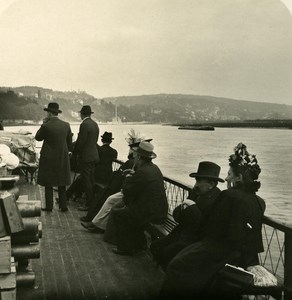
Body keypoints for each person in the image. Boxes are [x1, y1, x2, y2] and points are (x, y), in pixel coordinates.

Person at [159, 143, 265, 299]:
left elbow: (210, 229)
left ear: (238, 178)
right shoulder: (258, 201)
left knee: (177, 266)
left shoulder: (229, 196)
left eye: (229, 174)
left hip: (222, 251)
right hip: (247, 255)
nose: (227, 178)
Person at [150, 161, 223, 270]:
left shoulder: (217, 200)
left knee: (166, 253)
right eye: (196, 181)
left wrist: (192, 207)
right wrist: (188, 201)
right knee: (155, 246)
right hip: (182, 235)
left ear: (211, 184)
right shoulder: (196, 193)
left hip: (195, 242)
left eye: (198, 181)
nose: (195, 185)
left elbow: (204, 227)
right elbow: (177, 215)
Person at [110, 141, 168, 256]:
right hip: (160, 210)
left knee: (118, 213)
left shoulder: (142, 172)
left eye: (136, 154)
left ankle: (125, 247)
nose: (135, 156)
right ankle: (139, 244)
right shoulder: (154, 168)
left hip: (151, 213)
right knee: (132, 212)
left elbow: (128, 190)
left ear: (139, 156)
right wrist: (134, 175)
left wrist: (127, 177)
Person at [35, 102, 72, 212]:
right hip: (62, 156)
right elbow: (69, 143)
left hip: (48, 157)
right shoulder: (66, 125)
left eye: (47, 112)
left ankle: (49, 206)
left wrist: (43, 124)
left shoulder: (46, 125)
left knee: (48, 182)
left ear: (49, 113)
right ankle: (63, 205)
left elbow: (38, 138)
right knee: (62, 182)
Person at [72, 105, 99, 211]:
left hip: (86, 157)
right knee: (91, 180)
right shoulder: (95, 124)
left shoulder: (84, 124)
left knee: (86, 180)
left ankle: (89, 204)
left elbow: (81, 142)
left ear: (82, 114)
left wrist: (74, 152)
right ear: (90, 114)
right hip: (94, 156)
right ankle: (92, 202)